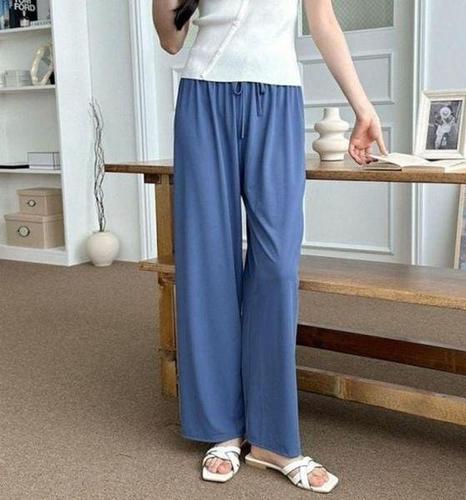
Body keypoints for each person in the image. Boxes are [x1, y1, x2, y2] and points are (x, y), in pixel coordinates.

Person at [153, 0, 388, 493]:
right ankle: (221, 428)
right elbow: (171, 40)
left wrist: (363, 107)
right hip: (204, 96)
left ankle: (273, 440)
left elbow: (322, 20)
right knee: (207, 262)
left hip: (278, 99)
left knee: (277, 265)